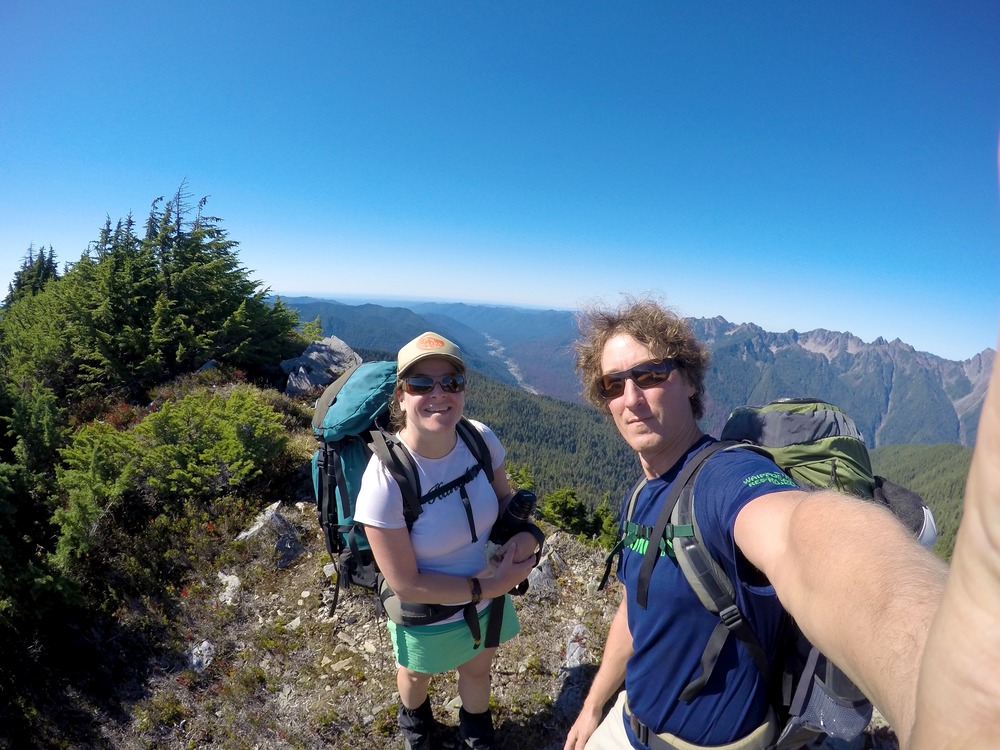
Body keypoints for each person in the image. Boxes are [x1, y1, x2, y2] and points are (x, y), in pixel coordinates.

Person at [563, 298, 951, 750]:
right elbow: (635, 610)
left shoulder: (727, 478)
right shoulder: (640, 496)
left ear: (688, 380)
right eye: (613, 384)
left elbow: (798, 536)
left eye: (650, 375)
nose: (631, 398)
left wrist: (951, 685)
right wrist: (593, 707)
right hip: (628, 724)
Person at [354, 331, 540, 750]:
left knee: (478, 668)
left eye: (450, 383)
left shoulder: (479, 439)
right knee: (418, 673)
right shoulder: (387, 479)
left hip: (489, 592)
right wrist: (490, 586)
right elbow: (406, 582)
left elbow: (505, 499)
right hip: (429, 608)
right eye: (421, 384)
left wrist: (527, 536)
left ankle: (476, 731)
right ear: (400, 396)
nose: (438, 394)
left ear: (463, 390)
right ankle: (415, 721)